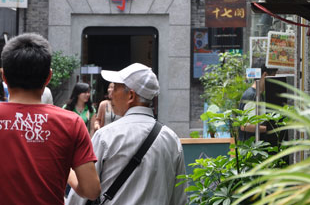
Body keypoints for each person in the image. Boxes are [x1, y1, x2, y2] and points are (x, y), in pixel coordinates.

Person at [0, 33, 100, 204]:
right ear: (48, 77)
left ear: (4, 76)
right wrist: (67, 171)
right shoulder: (71, 123)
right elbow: (91, 190)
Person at [66, 63, 187, 205]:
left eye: (115, 88)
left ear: (131, 95)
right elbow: (180, 198)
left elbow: (81, 196)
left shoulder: (106, 136)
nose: (110, 95)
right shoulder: (171, 138)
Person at [238, 63, 278, 141]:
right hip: (252, 148)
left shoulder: (258, 94)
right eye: (274, 76)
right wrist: (270, 129)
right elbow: (245, 125)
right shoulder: (252, 96)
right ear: (265, 75)